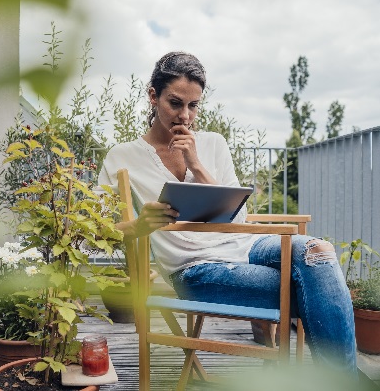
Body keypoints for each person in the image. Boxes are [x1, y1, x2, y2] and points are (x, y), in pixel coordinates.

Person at [98, 51, 357, 374]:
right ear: (153, 96)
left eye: (193, 106)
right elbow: (96, 233)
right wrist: (139, 225)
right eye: (175, 103)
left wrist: (196, 164)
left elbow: (238, 218)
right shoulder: (122, 156)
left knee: (318, 253)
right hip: (195, 269)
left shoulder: (213, 143)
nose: (185, 116)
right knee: (316, 284)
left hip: (247, 248)